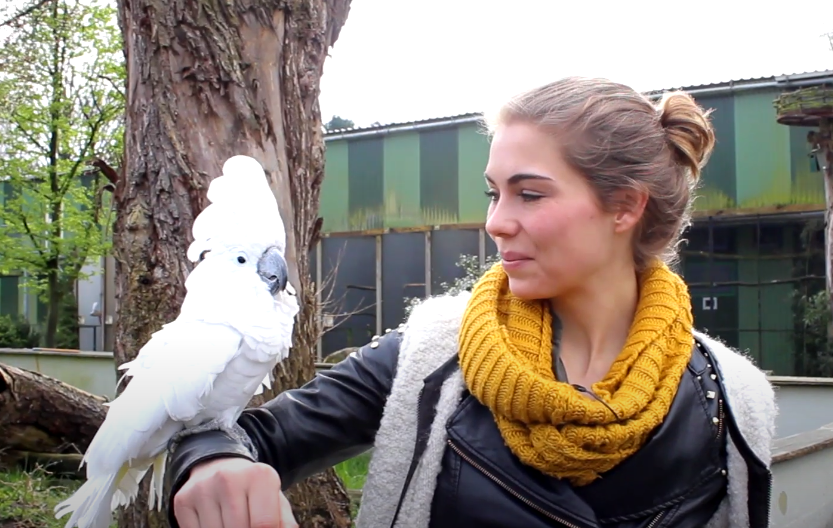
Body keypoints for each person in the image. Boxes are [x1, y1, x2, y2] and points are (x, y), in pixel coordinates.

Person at [164, 77, 777, 528]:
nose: (496, 223)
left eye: (529, 194)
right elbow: (247, 436)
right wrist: (212, 462)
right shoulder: (436, 356)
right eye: (493, 193)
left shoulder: (731, 400)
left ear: (625, 206)